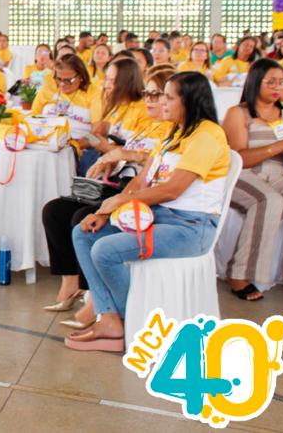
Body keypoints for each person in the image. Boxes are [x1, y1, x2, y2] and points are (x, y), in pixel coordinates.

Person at [66, 72, 231, 352]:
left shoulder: (207, 135)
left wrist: (117, 204)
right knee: (83, 233)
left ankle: (134, 321)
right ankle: (110, 318)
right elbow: (142, 180)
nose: (161, 102)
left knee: (105, 250)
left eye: (168, 96)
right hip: (159, 215)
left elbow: (172, 190)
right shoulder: (174, 132)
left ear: (189, 100)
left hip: (190, 228)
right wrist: (106, 212)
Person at [46, 64, 176, 331]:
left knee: (82, 218)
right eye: (147, 93)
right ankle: (70, 284)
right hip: (119, 182)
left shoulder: (170, 129)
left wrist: (121, 154)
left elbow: (153, 168)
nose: (148, 99)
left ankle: (94, 297)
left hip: (139, 195)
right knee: (54, 210)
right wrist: (113, 157)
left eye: (156, 94)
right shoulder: (145, 124)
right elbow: (109, 141)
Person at [222, 59, 283, 301]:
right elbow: (239, 158)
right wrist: (279, 146)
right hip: (245, 174)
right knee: (270, 200)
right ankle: (239, 274)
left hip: (279, 174)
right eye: (271, 82)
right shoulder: (239, 113)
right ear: (256, 82)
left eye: (281, 82)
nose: (277, 87)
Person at [31, 54, 103, 141]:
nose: (62, 84)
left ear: (80, 76)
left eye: (68, 80)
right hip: (47, 142)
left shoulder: (93, 93)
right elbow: (32, 119)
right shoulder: (47, 89)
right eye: (59, 79)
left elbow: (97, 132)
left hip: (82, 146)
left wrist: (77, 146)